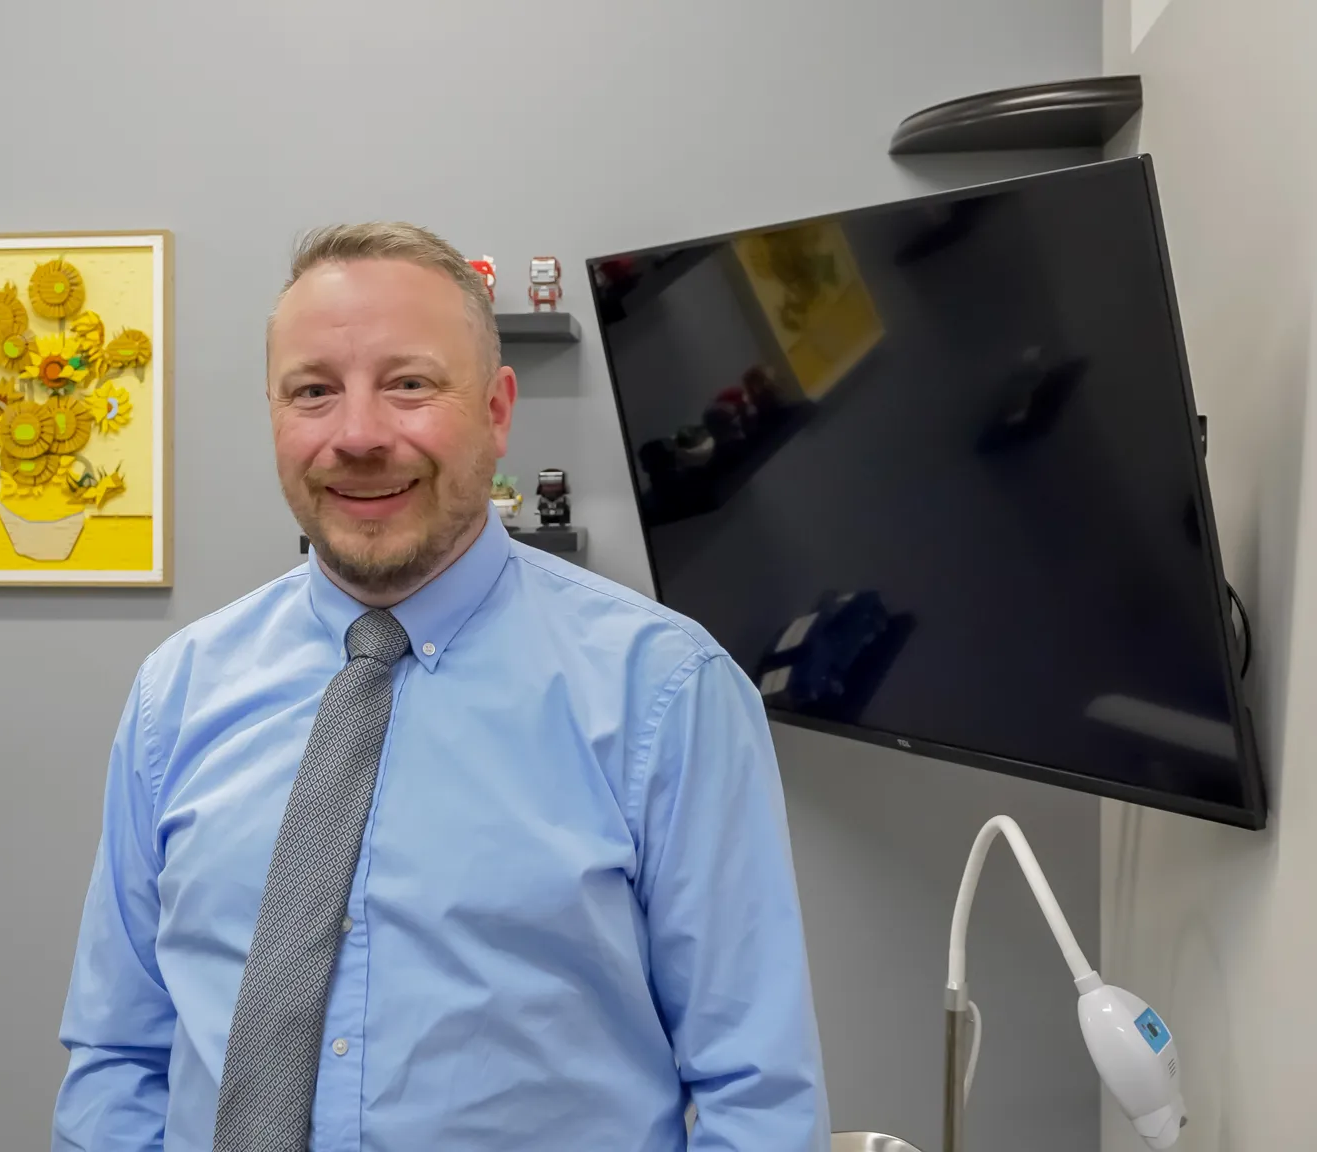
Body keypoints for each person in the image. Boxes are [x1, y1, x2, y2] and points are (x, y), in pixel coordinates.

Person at [53, 222, 828, 1152]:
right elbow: (117, 1055)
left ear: (498, 410)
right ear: (274, 414)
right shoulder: (176, 694)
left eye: (410, 384)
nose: (360, 435)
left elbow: (757, 1096)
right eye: (314, 392)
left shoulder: (665, 691)